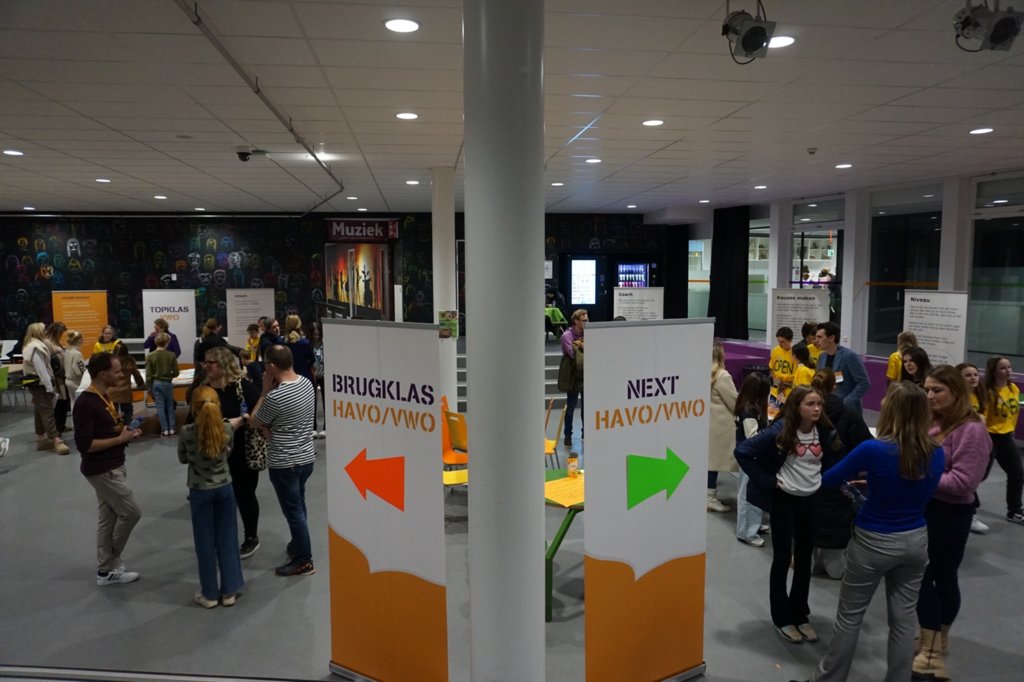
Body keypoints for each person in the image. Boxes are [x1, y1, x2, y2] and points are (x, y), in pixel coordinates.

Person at [790, 382, 944, 682]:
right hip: (915, 540)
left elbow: (829, 479)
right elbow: (916, 487)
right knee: (903, 620)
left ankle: (829, 679)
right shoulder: (936, 452)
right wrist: (877, 481)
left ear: (892, 410)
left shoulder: (873, 449)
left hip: (874, 541)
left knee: (850, 616)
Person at [735, 385, 840, 644]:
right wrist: (767, 481)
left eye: (819, 404)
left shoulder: (824, 431)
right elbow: (743, 452)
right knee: (782, 559)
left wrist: (823, 479)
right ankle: (782, 618)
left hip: (811, 500)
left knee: (804, 560)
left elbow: (831, 458)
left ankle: (800, 614)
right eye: (810, 404)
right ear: (796, 407)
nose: (816, 409)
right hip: (785, 500)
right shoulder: (780, 432)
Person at [912, 366, 991, 680]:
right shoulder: (930, 420)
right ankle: (933, 641)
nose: (930, 395)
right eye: (927, 389)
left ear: (956, 392)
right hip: (925, 509)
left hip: (950, 515)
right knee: (924, 576)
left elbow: (964, 482)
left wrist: (919, 476)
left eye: (937, 390)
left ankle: (932, 649)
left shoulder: (971, 429)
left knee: (935, 577)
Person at [73, 352, 143, 586]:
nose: (121, 375)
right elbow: (85, 445)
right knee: (131, 512)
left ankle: (105, 571)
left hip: (113, 464)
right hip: (102, 470)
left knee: (108, 518)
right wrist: (119, 439)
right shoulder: (85, 403)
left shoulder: (102, 396)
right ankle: (112, 561)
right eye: (117, 371)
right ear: (103, 374)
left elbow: (105, 432)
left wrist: (125, 433)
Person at [250, 345, 317, 577]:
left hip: (284, 462)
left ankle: (304, 561)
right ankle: (299, 544)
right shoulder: (306, 384)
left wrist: (263, 392)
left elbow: (254, 421)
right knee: (299, 504)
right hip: (305, 458)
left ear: (271, 366)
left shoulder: (275, 396)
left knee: (294, 513)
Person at [178, 386, 246, 608]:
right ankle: (229, 591)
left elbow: (183, 458)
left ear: (193, 408)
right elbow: (229, 451)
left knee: (205, 541)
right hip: (224, 487)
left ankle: (209, 593)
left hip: (199, 490)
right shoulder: (226, 429)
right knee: (228, 538)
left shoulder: (187, 432)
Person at [199, 346, 263, 560]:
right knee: (220, 500)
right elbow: (193, 420)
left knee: (245, 497)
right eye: (205, 362)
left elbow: (258, 414)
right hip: (214, 456)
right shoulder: (203, 390)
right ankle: (223, 539)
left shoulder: (242, 388)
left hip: (242, 454)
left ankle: (251, 537)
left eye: (211, 362)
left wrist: (243, 421)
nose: (206, 366)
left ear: (224, 364)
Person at [811, 368, 873, 580]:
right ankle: (833, 566)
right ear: (834, 386)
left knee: (807, 529)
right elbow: (866, 446)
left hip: (806, 482)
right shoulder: (848, 413)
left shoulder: (803, 411)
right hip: (838, 485)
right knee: (836, 555)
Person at [982, 355, 1024, 525]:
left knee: (1017, 473)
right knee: (979, 475)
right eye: (1003, 368)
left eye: (1009, 367)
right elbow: (982, 419)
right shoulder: (987, 392)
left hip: (1006, 437)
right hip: (989, 437)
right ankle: (965, 507)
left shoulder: (1013, 388)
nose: (1008, 371)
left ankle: (1014, 510)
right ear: (994, 371)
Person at [734, 372, 771, 545]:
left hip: (754, 456)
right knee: (747, 495)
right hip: (750, 457)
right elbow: (753, 437)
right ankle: (747, 532)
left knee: (755, 492)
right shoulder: (748, 411)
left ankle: (753, 524)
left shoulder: (749, 406)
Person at [22, 322, 70, 455]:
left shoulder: (32, 345)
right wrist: (49, 386)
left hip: (36, 384)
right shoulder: (36, 347)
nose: (46, 331)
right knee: (48, 412)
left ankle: (41, 440)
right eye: (44, 329)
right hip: (40, 384)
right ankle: (56, 440)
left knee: (39, 411)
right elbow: (41, 369)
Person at [957, 362, 990, 534]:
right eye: (968, 375)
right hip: (962, 443)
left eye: (975, 374)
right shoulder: (957, 398)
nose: (973, 378)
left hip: (980, 442)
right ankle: (971, 514)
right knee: (967, 477)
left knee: (979, 475)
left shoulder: (980, 396)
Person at [708, 341, 738, 513]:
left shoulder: (702, 372)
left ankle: (709, 495)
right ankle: (710, 498)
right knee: (714, 463)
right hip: (721, 426)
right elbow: (734, 402)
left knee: (710, 462)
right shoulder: (722, 376)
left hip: (709, 423)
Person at [814, 321, 870, 413]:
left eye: (820, 337)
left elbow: (864, 383)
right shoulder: (822, 356)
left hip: (845, 409)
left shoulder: (849, 356)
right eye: (816, 337)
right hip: (826, 407)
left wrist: (846, 402)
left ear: (831, 338)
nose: (816, 341)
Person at [283, 314, 318, 437]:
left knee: (290, 405)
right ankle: (311, 428)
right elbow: (312, 360)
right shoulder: (304, 343)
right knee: (309, 404)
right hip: (305, 376)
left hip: (287, 377)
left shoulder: (282, 343)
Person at [558, 309, 587, 448]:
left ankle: (585, 433)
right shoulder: (567, 336)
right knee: (571, 408)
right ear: (576, 321)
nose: (587, 322)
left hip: (586, 375)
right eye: (584, 320)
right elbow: (572, 355)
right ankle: (567, 436)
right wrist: (583, 346)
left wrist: (580, 345)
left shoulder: (588, 333)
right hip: (573, 377)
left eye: (587, 320)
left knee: (586, 407)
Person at [145, 332, 179, 437]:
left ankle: (164, 430)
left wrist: (149, 387)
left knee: (160, 407)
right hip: (168, 383)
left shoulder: (150, 356)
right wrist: (169, 375)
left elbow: (148, 374)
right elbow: (176, 372)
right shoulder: (171, 355)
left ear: (156, 342)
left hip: (156, 383)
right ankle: (172, 428)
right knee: (170, 405)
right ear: (167, 343)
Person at [108, 342, 145, 424]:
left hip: (111, 391)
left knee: (113, 414)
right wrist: (141, 384)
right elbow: (137, 375)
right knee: (127, 411)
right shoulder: (130, 361)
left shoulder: (110, 361)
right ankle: (127, 427)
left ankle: (114, 429)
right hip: (125, 391)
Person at [45, 321, 71, 433]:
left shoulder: (57, 342)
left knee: (64, 402)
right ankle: (57, 428)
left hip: (62, 376)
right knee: (58, 403)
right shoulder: (48, 343)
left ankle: (62, 425)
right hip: (56, 378)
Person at [769, 327, 797, 416]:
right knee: (772, 416)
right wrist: (775, 380)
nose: (780, 344)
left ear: (790, 340)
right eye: (779, 341)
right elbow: (772, 368)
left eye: (783, 342)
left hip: (789, 392)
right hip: (775, 391)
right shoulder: (776, 350)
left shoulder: (795, 354)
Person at [307, 320, 326, 438]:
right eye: (314, 334)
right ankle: (313, 428)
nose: (316, 336)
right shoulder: (307, 344)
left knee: (326, 401)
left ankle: (325, 428)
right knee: (312, 401)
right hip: (312, 374)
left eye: (318, 334)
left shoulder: (326, 343)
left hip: (325, 374)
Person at [64, 330, 87, 400]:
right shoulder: (77, 354)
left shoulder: (67, 351)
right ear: (79, 340)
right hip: (76, 383)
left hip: (68, 381)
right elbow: (80, 370)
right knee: (79, 402)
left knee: (73, 401)